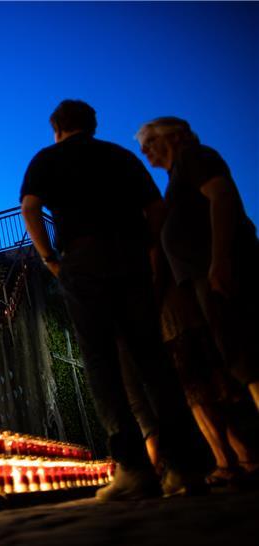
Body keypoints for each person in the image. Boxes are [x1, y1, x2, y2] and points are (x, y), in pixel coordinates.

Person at [20, 99, 203, 500]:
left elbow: (30, 208)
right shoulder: (120, 156)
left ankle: (135, 469)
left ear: (57, 128)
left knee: (102, 362)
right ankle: (186, 468)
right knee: (152, 359)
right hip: (131, 260)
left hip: (82, 260)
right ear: (92, 125)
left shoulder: (46, 159)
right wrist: (149, 250)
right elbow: (156, 210)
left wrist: (50, 257)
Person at [136, 117, 259, 484]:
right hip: (202, 276)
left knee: (247, 357)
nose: (145, 151)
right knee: (239, 359)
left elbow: (222, 197)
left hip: (219, 270)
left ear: (174, 136)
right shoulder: (178, 175)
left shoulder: (195, 158)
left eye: (149, 142)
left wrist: (220, 259)